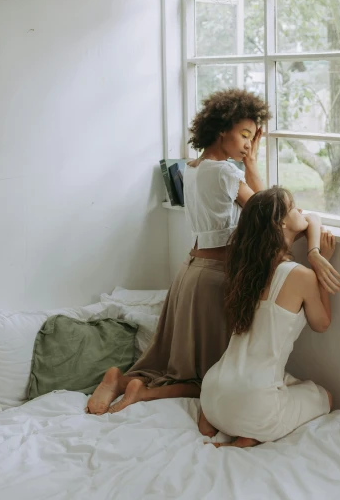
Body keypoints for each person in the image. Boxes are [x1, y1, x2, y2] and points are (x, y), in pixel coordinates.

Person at [87, 88, 270, 415]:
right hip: (213, 279)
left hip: (189, 272)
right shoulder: (226, 172)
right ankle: (141, 392)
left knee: (175, 364)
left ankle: (119, 378)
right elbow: (267, 211)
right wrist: (252, 164)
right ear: (221, 129)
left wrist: (248, 154)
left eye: (253, 138)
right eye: (244, 135)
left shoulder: (194, 168)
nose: (247, 144)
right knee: (209, 379)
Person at [200, 187, 338, 448]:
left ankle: (218, 422)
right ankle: (249, 434)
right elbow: (322, 323)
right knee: (325, 397)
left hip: (212, 390)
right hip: (252, 402)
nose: (301, 211)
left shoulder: (246, 270)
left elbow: (313, 218)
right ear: (282, 222)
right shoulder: (301, 276)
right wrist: (319, 264)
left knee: (284, 382)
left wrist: (313, 251)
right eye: (293, 206)